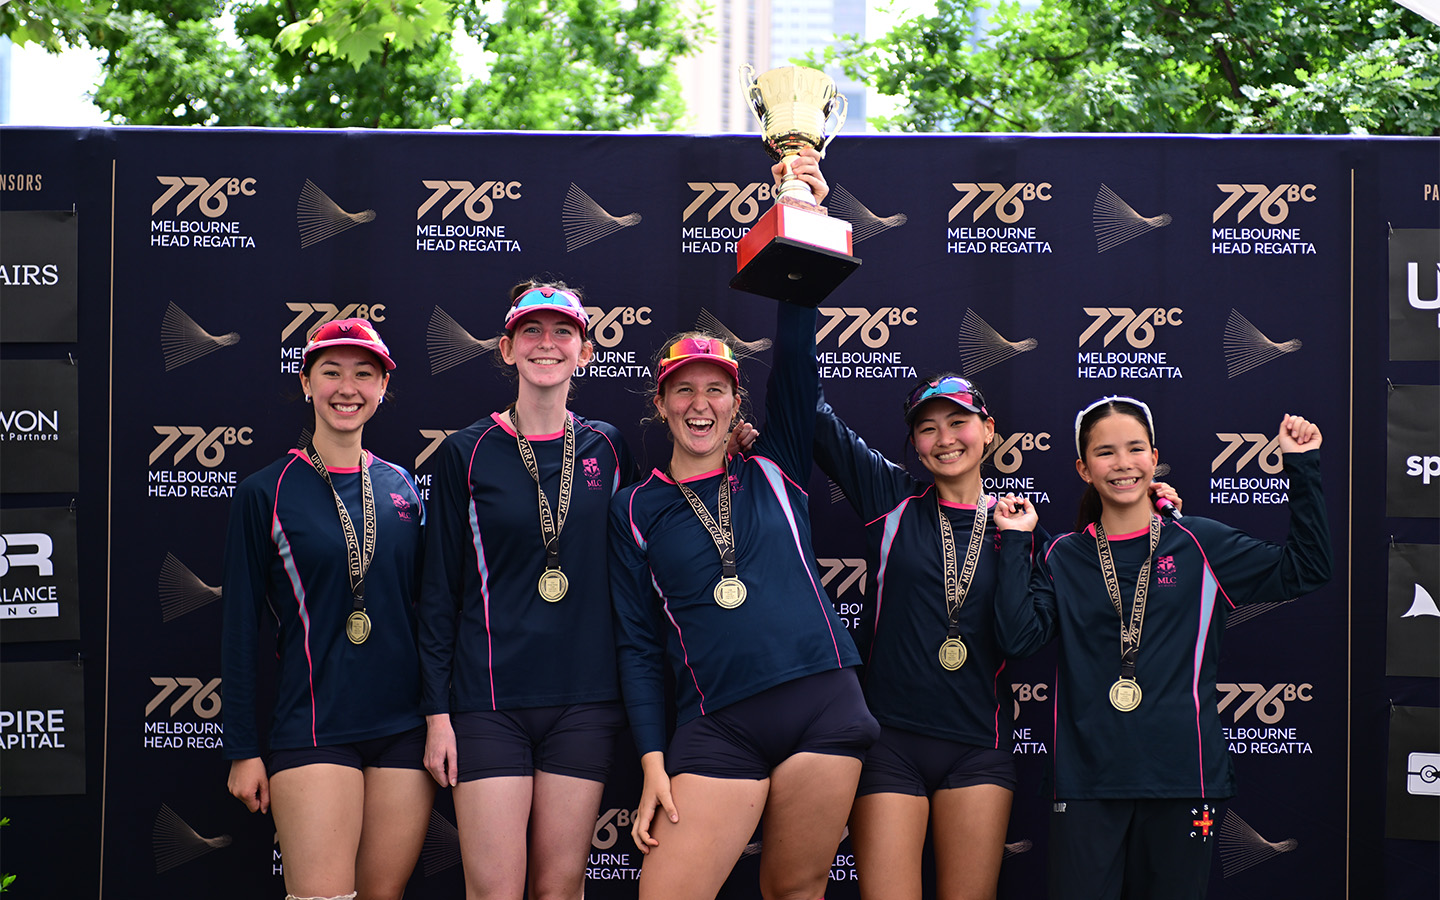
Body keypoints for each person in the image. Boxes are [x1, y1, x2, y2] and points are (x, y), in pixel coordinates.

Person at [814, 373, 1179, 900]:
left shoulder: (1028, 534)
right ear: (915, 444)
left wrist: (1149, 506)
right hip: (889, 744)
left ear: (988, 431)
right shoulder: (892, 499)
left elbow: (1036, 631)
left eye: (957, 423)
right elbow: (814, 417)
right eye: (927, 429)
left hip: (978, 749)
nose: (944, 439)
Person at [608, 248, 879, 897]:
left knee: (795, 890)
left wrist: (800, 240)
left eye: (716, 390)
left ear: (735, 402)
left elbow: (797, 362)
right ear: (661, 402)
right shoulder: (635, 507)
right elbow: (638, 646)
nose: (699, 404)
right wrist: (652, 762)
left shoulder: (775, 466)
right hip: (719, 724)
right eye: (684, 389)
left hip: (823, 706)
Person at [991, 397, 1331, 900]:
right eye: (1105, 452)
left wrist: (1301, 466)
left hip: (1184, 779)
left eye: (1135, 449)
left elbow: (1308, 569)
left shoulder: (1200, 543)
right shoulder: (1063, 554)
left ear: (1154, 458)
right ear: (1083, 469)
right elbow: (1017, 638)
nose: (1122, 463)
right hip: (1086, 782)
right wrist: (1017, 543)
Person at [417, 282, 636, 900]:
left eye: (563, 332)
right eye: (531, 332)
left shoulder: (608, 446)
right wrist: (437, 715)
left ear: (585, 351)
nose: (547, 344)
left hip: (584, 699)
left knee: (559, 887)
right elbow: (438, 593)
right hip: (489, 700)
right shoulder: (464, 452)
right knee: (494, 891)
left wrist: (736, 444)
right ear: (507, 348)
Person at [223, 318, 433, 900]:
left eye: (364, 374)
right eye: (331, 372)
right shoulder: (266, 491)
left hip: (403, 732)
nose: (348, 388)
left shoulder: (403, 487)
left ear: (383, 386)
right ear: (306, 382)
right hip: (315, 727)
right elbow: (239, 629)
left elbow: (429, 613)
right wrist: (242, 750)